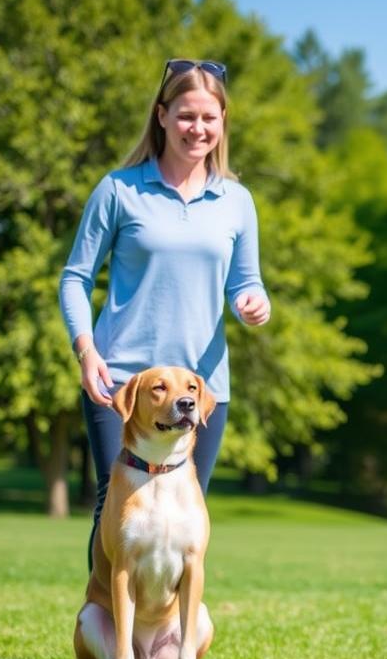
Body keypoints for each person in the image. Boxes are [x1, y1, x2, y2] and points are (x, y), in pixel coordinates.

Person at [59, 59, 271, 571]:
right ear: (161, 115)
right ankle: (107, 641)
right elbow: (75, 278)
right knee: (117, 504)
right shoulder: (118, 190)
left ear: (222, 122)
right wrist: (86, 352)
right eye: (185, 116)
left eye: (209, 117)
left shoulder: (236, 201)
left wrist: (254, 302)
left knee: (182, 512)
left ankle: (166, 648)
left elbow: (246, 281)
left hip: (201, 387)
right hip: (123, 379)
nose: (197, 128)